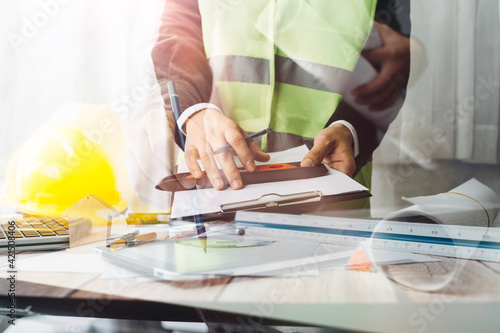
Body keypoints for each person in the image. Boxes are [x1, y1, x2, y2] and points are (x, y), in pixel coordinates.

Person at [129, 0, 411, 209]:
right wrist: (193, 110)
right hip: (216, 188)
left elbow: (391, 62)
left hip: (333, 194)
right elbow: (179, 30)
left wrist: (350, 129)